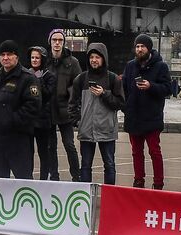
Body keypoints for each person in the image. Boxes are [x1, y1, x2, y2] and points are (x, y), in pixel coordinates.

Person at [0, 40, 41, 179]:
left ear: (17, 57)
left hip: (19, 140)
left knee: (23, 181)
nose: (5, 58)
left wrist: (9, 121)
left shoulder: (27, 79)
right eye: (3, 54)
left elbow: (32, 107)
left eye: (9, 54)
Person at [121, 33, 175, 190]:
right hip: (133, 116)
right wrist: (126, 107)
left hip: (152, 117)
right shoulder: (130, 66)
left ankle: (158, 182)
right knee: (136, 152)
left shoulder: (161, 66)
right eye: (137, 46)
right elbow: (124, 88)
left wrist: (151, 86)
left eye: (142, 46)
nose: (139, 49)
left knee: (154, 151)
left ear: (149, 48)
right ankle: (139, 180)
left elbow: (168, 89)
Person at [69, 41, 123, 185]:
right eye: (91, 57)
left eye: (97, 57)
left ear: (104, 58)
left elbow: (120, 103)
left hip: (107, 130)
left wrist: (104, 94)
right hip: (86, 131)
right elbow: (72, 103)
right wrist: (78, 122)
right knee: (85, 165)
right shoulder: (80, 79)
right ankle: (85, 196)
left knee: (109, 165)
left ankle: (110, 196)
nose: (94, 60)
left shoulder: (113, 79)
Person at [47, 29, 83, 181]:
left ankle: (76, 176)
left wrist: (73, 106)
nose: (57, 43)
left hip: (65, 111)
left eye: (60, 40)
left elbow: (79, 85)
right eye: (54, 40)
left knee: (69, 145)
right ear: (50, 42)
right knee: (50, 147)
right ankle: (54, 176)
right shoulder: (45, 60)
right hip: (48, 110)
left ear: (64, 43)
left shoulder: (72, 62)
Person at [26, 46, 59, 180]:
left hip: (43, 121)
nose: (34, 60)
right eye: (32, 57)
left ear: (43, 59)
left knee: (43, 152)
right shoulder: (25, 74)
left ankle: (43, 179)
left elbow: (47, 95)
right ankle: (28, 178)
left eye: (37, 58)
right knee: (28, 152)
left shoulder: (49, 76)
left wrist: (38, 80)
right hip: (28, 120)